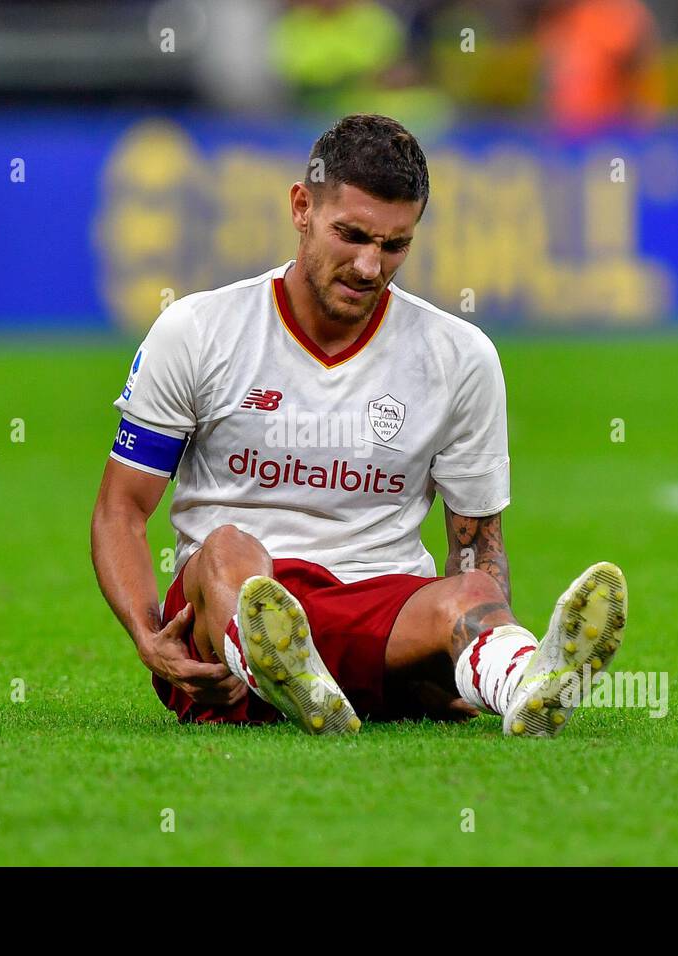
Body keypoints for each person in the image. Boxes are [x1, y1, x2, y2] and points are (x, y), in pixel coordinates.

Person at [91, 113, 627, 737]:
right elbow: (121, 511)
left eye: (394, 245)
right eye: (351, 235)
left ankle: (521, 685)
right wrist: (147, 635)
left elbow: (477, 547)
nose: (370, 266)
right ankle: (283, 662)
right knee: (228, 550)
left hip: (380, 607)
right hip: (222, 630)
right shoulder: (199, 331)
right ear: (301, 208)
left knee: (469, 593)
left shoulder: (460, 357)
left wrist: (465, 639)